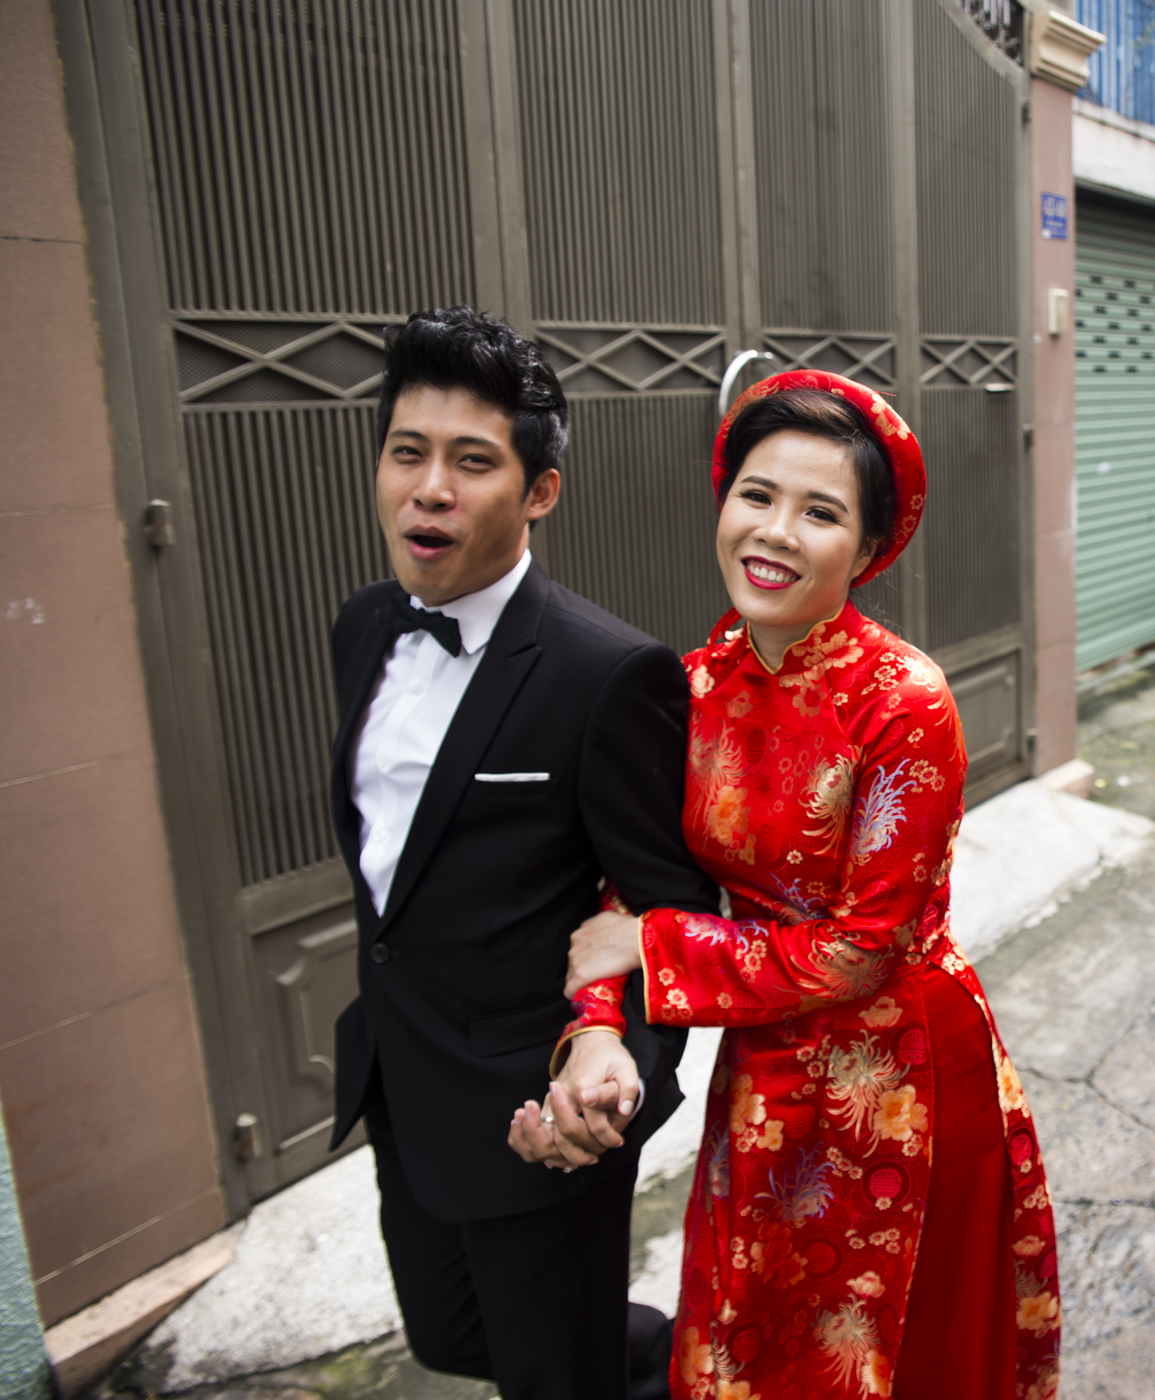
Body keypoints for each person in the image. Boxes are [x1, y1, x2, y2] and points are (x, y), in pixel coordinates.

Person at [513, 372, 1061, 1399]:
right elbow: (628, 890)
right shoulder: (688, 687)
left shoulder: (903, 703)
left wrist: (656, 949)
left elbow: (863, 950)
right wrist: (594, 1031)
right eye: (757, 495)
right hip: (763, 1072)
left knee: (892, 1354)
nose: (775, 532)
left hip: (898, 1082)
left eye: (821, 512)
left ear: (868, 545)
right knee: (749, 1333)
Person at [327, 308, 717, 1400]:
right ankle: (666, 1357)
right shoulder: (363, 626)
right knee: (452, 1338)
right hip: (402, 1078)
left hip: (537, 1113)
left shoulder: (608, 673)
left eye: (471, 461)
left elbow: (665, 909)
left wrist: (617, 1081)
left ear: (538, 490)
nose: (428, 489)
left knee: (555, 1380)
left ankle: (664, 1364)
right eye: (407, 452)